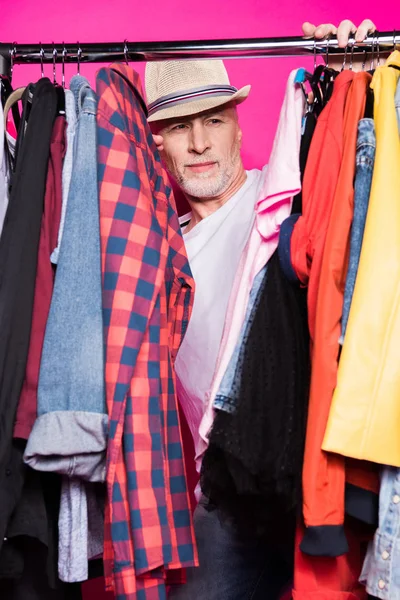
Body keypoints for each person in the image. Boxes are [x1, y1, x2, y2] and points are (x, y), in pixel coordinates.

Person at [145, 18, 376, 600]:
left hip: (327, 477)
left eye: (214, 121)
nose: (199, 143)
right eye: (178, 128)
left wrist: (355, 76)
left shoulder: (283, 192)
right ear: (156, 144)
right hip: (231, 505)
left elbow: (354, 182)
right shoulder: (151, 256)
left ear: (238, 126)